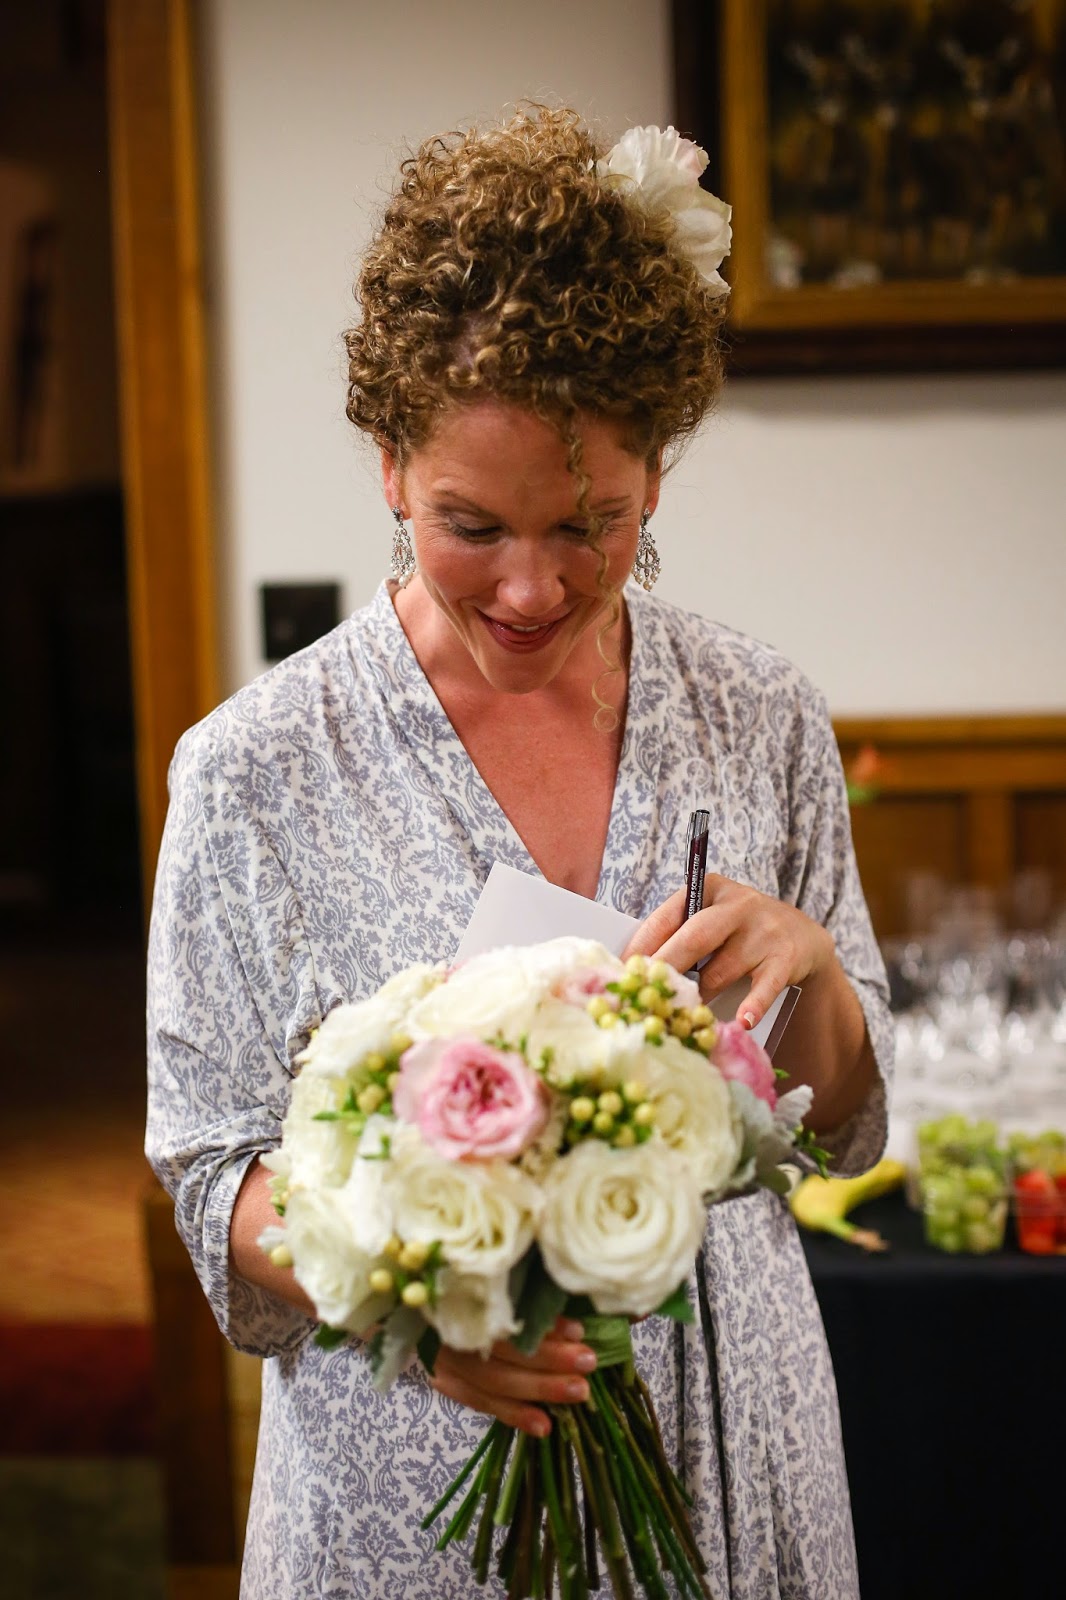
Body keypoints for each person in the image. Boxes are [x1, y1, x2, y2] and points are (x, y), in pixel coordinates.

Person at [146, 106, 892, 1599]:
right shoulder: (253, 773)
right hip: (409, 1488)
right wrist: (417, 1301)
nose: (534, 588)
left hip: (735, 1453)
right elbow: (215, 1175)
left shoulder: (759, 714)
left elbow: (848, 1126)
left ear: (655, 473)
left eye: (589, 523)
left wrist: (809, 972)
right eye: (471, 525)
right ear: (386, 465)